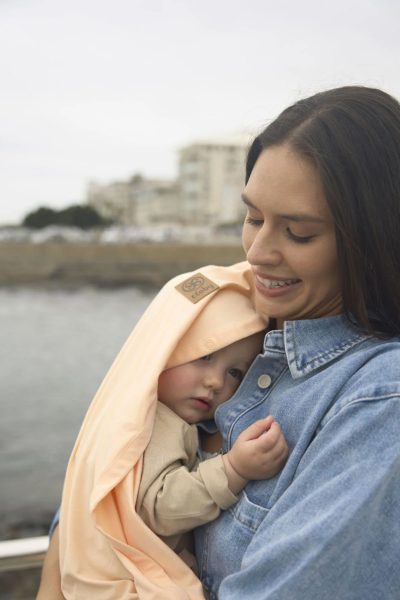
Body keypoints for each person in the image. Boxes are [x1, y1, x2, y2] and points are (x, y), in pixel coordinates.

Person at [37, 85, 400, 600]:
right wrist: (62, 558)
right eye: (252, 218)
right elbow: (113, 454)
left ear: (375, 239)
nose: (259, 252)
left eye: (297, 233)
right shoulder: (229, 309)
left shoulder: (379, 400)